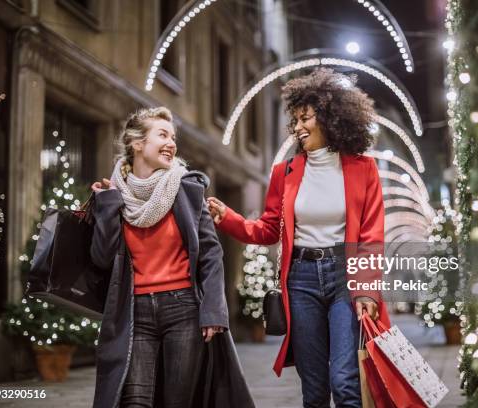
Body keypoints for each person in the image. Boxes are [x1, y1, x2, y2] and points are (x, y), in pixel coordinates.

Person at [207, 68, 390, 407]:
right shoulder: (285, 172)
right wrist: (228, 218)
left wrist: (367, 288)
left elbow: (371, 234)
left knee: (346, 380)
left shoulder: (362, 169)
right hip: (300, 281)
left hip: (344, 277)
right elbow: (267, 229)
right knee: (314, 385)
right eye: (296, 120)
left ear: (331, 118)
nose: (298, 127)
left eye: (306, 118)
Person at [89, 107, 253, 408]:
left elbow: (211, 253)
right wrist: (107, 205)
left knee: (178, 401)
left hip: (184, 311)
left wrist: (214, 310)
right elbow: (101, 257)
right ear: (137, 144)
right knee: (135, 401)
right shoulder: (115, 193)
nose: (171, 143)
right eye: (162, 135)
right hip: (134, 311)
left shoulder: (186, 188)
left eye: (173, 137)